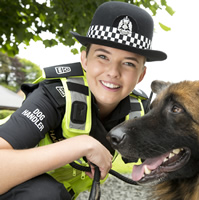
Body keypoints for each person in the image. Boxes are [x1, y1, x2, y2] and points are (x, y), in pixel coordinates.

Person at [0, 1, 167, 199]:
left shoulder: (139, 110)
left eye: (129, 63)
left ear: (141, 75)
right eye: (103, 56)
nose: (113, 72)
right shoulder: (54, 96)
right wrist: (81, 145)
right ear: (84, 60)